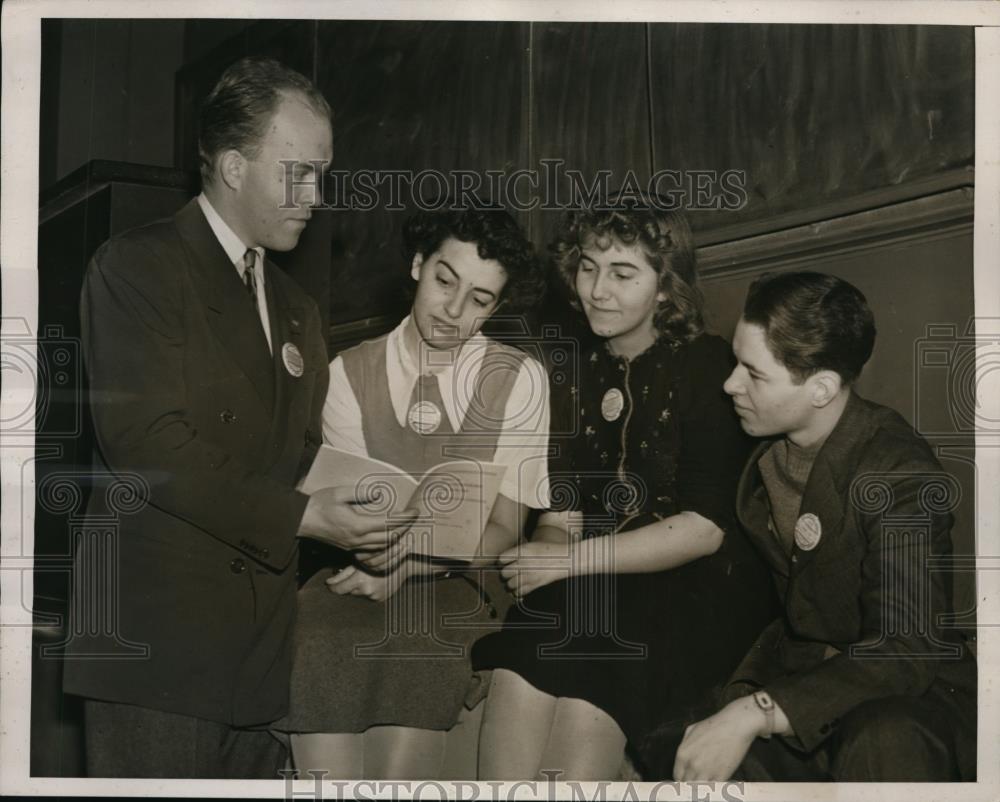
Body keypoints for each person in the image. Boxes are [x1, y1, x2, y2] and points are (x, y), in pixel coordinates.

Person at [63, 57, 408, 778]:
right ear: (230, 165)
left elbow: (295, 452)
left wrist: (369, 512)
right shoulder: (137, 267)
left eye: (324, 173)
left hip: (258, 660)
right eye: (300, 172)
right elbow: (147, 445)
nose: (317, 195)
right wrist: (308, 518)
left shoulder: (297, 309)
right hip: (156, 653)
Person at [471, 203, 776, 780]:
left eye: (622, 273)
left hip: (695, 582)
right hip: (594, 572)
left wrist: (568, 561)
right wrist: (548, 552)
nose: (598, 291)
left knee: (603, 646)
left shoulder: (708, 365)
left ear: (666, 287)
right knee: (528, 646)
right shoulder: (572, 371)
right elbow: (563, 508)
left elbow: (704, 529)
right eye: (588, 268)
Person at [275, 207, 551, 779]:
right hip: (365, 570)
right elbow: (351, 520)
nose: (453, 311)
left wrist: (410, 563)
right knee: (315, 634)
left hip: (469, 580)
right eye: (445, 281)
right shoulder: (348, 373)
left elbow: (502, 532)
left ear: (496, 308)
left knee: (416, 645)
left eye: (479, 299)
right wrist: (385, 559)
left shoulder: (519, 378)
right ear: (419, 264)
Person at [674, 271, 977, 782]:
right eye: (735, 363)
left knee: (881, 738)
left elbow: (905, 649)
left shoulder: (898, 472)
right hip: (802, 671)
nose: (730, 384)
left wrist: (758, 711)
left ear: (821, 389)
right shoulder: (762, 448)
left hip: (908, 692)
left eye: (754, 372)